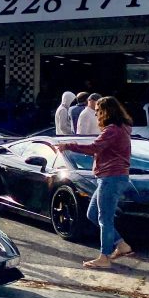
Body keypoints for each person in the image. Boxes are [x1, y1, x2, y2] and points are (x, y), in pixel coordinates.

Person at [60, 97, 135, 269]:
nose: (96, 114)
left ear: (106, 111)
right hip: (113, 177)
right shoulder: (122, 128)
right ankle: (121, 245)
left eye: (99, 110)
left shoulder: (112, 130)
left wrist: (69, 145)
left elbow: (94, 147)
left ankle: (104, 257)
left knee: (104, 218)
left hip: (111, 177)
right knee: (93, 213)